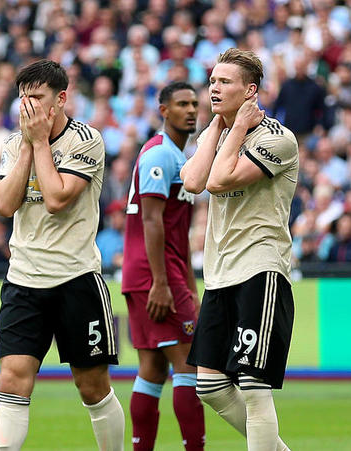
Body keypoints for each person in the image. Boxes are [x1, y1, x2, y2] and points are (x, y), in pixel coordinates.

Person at [0, 59, 124, 451]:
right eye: (22, 99)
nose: (27, 107)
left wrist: (39, 143)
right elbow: (3, 205)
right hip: (24, 281)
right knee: (13, 378)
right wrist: (31, 146)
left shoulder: (87, 140)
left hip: (76, 279)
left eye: (36, 97)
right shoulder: (15, 143)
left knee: (92, 386)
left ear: (60, 99)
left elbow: (56, 198)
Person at [180, 48, 297, 451]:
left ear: (250, 91)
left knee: (252, 384)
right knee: (210, 384)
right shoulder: (220, 133)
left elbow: (219, 180)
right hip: (221, 271)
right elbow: (193, 181)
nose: (213, 87)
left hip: (261, 268)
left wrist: (231, 131)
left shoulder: (278, 139)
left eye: (224, 82)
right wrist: (221, 126)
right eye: (212, 80)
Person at [121, 81, 204, 451]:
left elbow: (177, 231)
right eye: (182, 104)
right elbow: (151, 221)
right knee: (189, 367)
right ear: (164, 110)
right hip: (155, 276)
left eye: (194, 104)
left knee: (153, 368)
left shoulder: (179, 156)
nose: (191, 110)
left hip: (159, 274)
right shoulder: (159, 155)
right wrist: (162, 283)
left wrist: (188, 284)